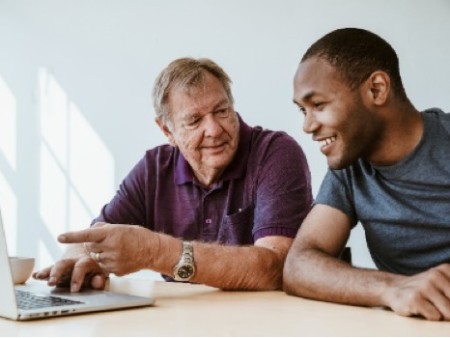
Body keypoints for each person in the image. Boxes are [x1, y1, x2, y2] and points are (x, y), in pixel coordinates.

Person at [33, 57, 313, 292]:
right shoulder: (154, 167)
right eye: (194, 120)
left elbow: (276, 268)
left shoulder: (275, 153)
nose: (214, 129)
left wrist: (154, 251)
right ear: (167, 131)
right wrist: (80, 258)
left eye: (222, 111)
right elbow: (95, 237)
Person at [283, 28, 450, 321]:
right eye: (302, 111)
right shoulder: (349, 167)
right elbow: (299, 266)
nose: (308, 126)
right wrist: (394, 289)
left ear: (376, 89)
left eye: (318, 105)